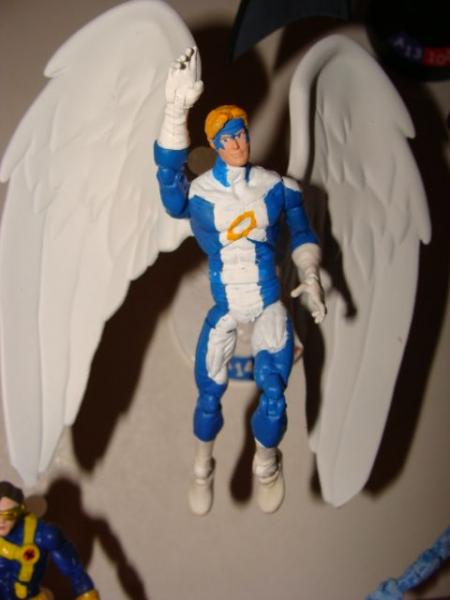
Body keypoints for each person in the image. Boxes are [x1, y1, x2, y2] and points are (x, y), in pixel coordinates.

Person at [154, 48, 326, 515]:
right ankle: (202, 466)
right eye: (228, 138)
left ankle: (266, 463)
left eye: (242, 134)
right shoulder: (200, 194)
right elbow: (168, 181)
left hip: (269, 302)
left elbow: (303, 233)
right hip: (226, 306)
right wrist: (175, 114)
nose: (237, 144)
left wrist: (311, 274)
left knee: (274, 398)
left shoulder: (276, 187)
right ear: (215, 144)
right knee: (209, 395)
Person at [0, 481, 100, 600]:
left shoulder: (43, 535)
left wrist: (87, 594)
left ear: (20, 510)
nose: (1, 521)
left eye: (9, 514)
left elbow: (75, 571)